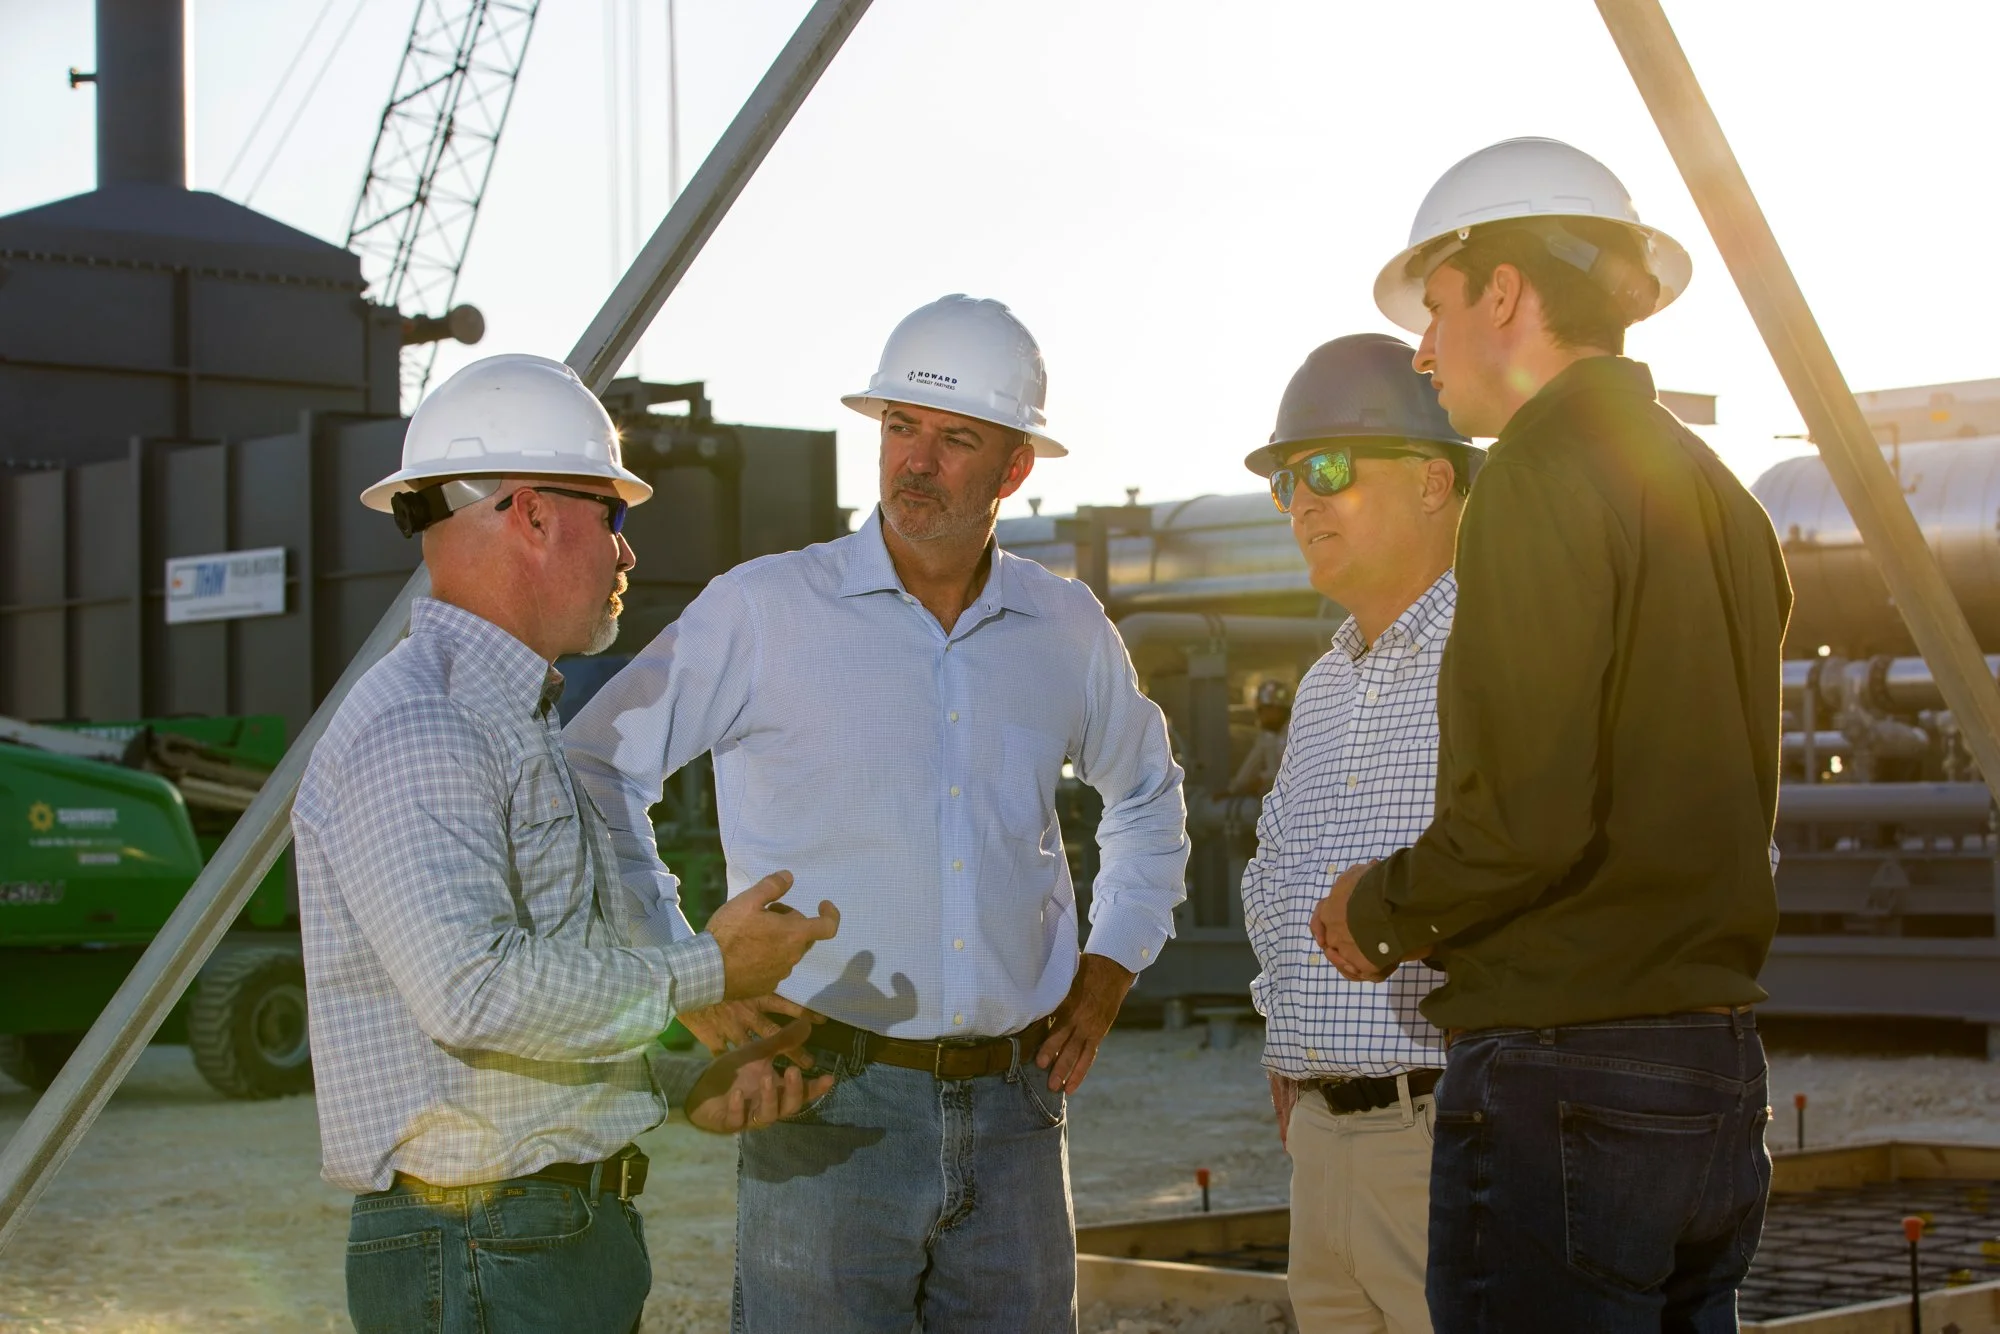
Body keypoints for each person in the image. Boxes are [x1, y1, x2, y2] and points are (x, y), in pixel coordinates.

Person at [567, 295, 1190, 1332]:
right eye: (900, 426)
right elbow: (593, 767)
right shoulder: (764, 610)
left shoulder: (1064, 626)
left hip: (1017, 1111)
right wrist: (684, 965)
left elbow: (1146, 795)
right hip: (822, 1097)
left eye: (955, 439)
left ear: (1014, 467)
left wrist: (1115, 957)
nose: (916, 461)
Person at [1316, 139, 1793, 1331]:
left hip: (1564, 1070)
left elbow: (1523, 818)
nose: (1421, 350)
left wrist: (1376, 911)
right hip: (1713, 1076)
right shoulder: (1719, 495)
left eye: (1432, 307)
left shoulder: (1532, 473)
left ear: (1501, 291)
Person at [294, 354, 840, 1334]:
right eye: (613, 516)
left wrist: (679, 1082)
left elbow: (531, 997)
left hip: (528, 1235)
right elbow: (474, 991)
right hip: (488, 1247)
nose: (627, 555)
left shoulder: (507, 719)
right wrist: (709, 968)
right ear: (534, 514)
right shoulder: (422, 724)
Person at [1240, 334, 1475, 1334]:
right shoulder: (1329, 679)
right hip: (1322, 1141)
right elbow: (1275, 873)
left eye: (1327, 469)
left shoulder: (1493, 650)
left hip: (1441, 1134)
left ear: (1432, 481)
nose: (1301, 500)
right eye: (1286, 481)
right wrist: (1285, 1039)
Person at [1227, 678, 1294, 798]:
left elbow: (1289, 770)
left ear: (1278, 710)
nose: (1261, 716)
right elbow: (1251, 763)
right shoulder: (1267, 735)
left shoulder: (1294, 732)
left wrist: (1262, 780)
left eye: (1265, 710)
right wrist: (1233, 790)